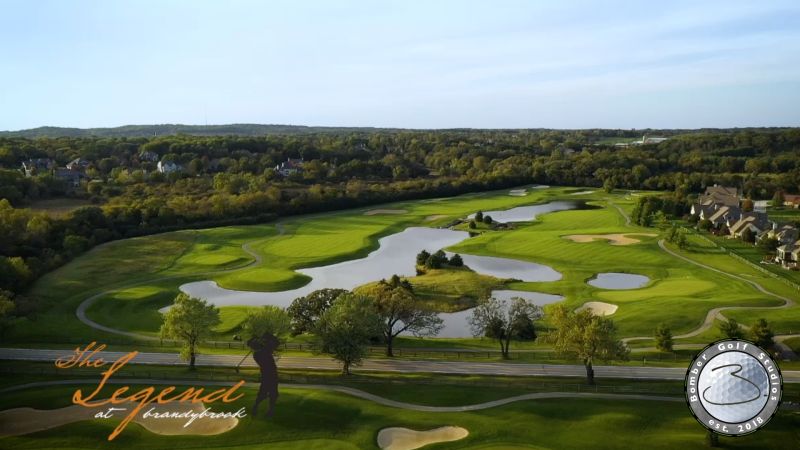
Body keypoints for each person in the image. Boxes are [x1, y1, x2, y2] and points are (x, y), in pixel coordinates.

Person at [247, 331, 279, 417]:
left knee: (266, 393)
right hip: (270, 375)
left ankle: (258, 408)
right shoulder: (261, 353)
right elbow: (275, 343)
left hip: (267, 375)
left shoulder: (257, 353)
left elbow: (270, 345)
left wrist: (263, 338)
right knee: (270, 393)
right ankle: (260, 409)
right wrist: (267, 336)